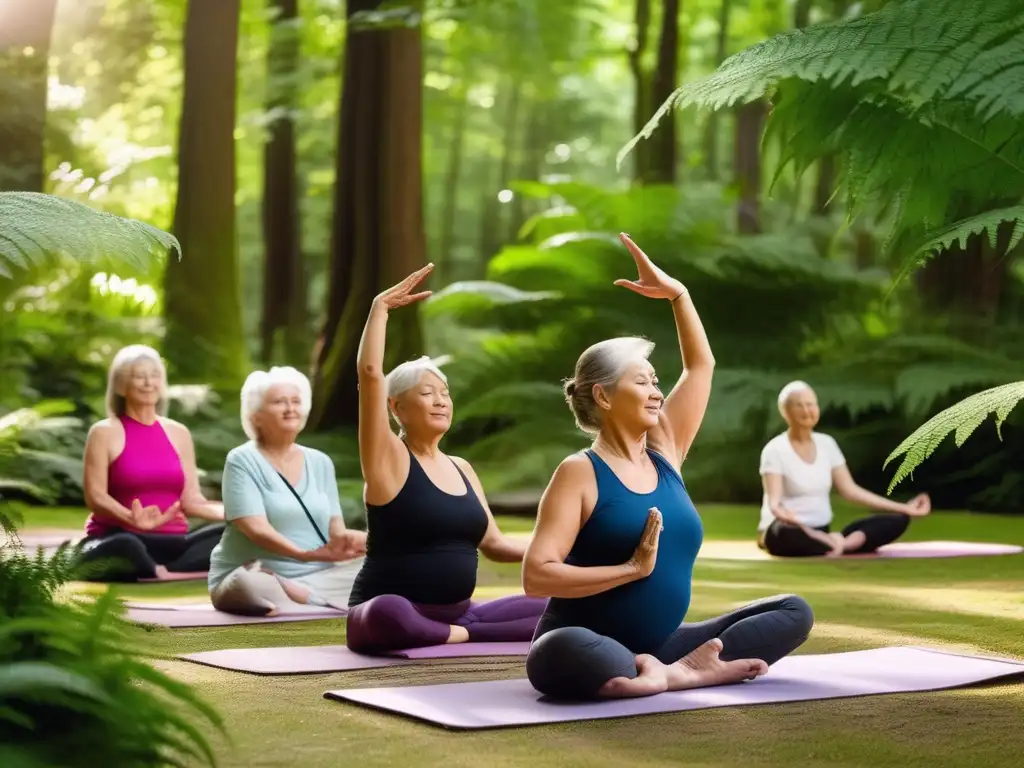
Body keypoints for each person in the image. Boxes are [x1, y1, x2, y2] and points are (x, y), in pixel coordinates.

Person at [522, 234, 814, 700]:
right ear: (603, 396)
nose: (658, 391)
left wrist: (678, 295)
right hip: (588, 642)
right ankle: (675, 674)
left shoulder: (665, 451)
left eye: (657, 380)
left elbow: (701, 367)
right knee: (558, 650)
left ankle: (668, 672)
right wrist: (631, 570)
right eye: (643, 381)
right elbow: (537, 575)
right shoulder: (579, 471)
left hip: (663, 643)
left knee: (793, 611)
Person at [344, 263, 547, 654]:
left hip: (459, 613)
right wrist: (379, 309)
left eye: (445, 392)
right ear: (396, 407)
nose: (440, 400)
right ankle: (463, 636)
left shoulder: (462, 468)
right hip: (386, 610)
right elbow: (370, 373)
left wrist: (567, 554)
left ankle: (460, 634)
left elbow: (496, 545)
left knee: (557, 606)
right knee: (389, 613)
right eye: (426, 392)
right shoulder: (388, 457)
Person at [207, 366, 367, 615]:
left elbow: (336, 531)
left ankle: (304, 599)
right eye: (279, 402)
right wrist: (303, 555)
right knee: (248, 582)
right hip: (259, 572)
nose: (291, 408)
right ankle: (307, 598)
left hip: (320, 574)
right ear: (256, 415)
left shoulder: (320, 461)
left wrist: (357, 543)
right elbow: (256, 530)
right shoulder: (241, 460)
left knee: (386, 568)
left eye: (296, 401)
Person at [80, 345, 226, 582]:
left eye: (155, 375)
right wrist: (130, 517)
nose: (149, 382)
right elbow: (95, 497)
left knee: (236, 534)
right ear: (120, 386)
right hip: (120, 536)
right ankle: (164, 570)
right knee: (124, 546)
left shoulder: (179, 433)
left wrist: (242, 513)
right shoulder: (104, 432)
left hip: (173, 543)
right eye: (139, 376)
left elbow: (192, 502)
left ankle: (161, 571)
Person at [758, 381, 931, 558]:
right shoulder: (775, 450)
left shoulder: (827, 444)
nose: (806, 410)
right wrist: (790, 519)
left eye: (810, 404)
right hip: (786, 529)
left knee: (897, 520)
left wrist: (903, 508)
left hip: (820, 530)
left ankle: (837, 543)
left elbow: (851, 491)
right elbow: (774, 504)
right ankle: (828, 542)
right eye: (799, 405)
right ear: (785, 412)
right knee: (785, 534)